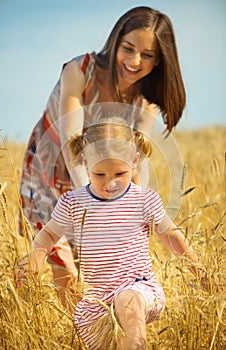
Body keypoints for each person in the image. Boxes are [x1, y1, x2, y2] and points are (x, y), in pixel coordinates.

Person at [19, 6, 186, 305]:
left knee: (96, 269)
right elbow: (73, 146)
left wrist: (134, 200)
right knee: (65, 269)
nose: (134, 61)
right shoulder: (79, 70)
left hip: (101, 179)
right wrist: (90, 198)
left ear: (160, 60)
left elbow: (140, 158)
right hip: (48, 172)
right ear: (115, 42)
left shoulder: (146, 99)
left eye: (147, 55)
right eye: (128, 49)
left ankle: (91, 331)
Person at [16, 117, 209, 350]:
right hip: (96, 301)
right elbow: (47, 235)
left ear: (135, 162)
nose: (111, 184)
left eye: (120, 174)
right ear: (85, 163)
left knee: (127, 304)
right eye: (99, 175)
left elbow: (173, 237)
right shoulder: (73, 202)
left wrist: (201, 273)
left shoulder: (144, 200)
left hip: (138, 287)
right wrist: (36, 257)